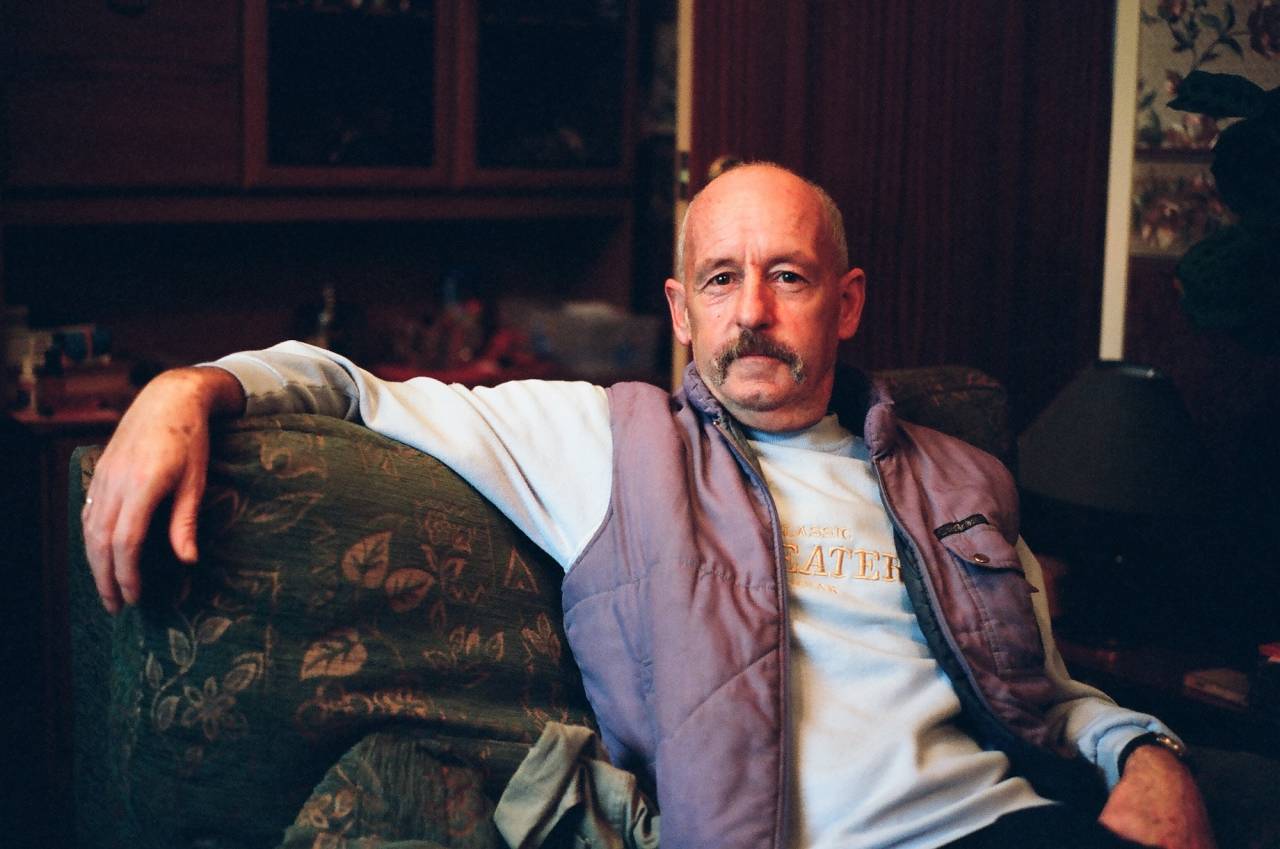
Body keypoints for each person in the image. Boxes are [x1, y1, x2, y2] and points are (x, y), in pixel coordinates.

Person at [82, 163, 1215, 849]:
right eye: (721, 278)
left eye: (790, 274)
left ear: (847, 302)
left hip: (1003, 825)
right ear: (680, 308)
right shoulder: (607, 446)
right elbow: (358, 391)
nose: (753, 310)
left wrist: (1146, 751)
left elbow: (1042, 687)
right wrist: (189, 389)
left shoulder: (958, 478)